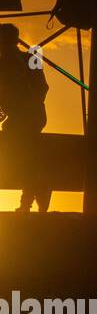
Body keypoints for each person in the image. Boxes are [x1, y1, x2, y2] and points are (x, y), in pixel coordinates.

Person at [0, 23, 51, 213]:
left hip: (28, 117)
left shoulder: (30, 58)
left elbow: (42, 88)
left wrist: (22, 106)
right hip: (24, 117)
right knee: (28, 158)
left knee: (26, 157)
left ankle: (28, 202)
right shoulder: (28, 58)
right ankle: (31, 201)